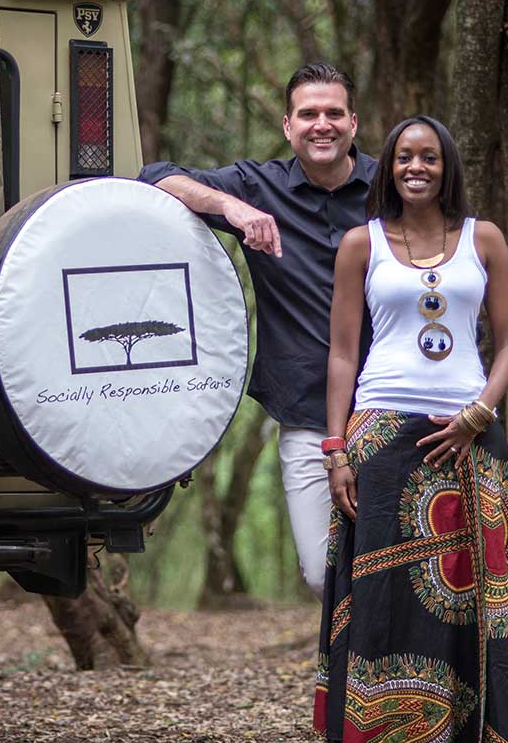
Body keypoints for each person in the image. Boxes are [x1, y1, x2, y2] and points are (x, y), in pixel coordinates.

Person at [316, 116, 508, 743]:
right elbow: (341, 352)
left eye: (428, 157)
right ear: (387, 168)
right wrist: (335, 449)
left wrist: (480, 410)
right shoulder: (360, 245)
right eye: (402, 157)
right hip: (383, 434)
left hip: (472, 431)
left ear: (447, 166)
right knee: (388, 596)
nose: (415, 167)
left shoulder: (484, 239)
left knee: (483, 589)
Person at [139, 62, 377, 597]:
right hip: (307, 413)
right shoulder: (259, 187)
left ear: (353, 123)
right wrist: (233, 208)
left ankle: (389, 677)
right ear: (289, 127)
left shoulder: (389, 190)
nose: (323, 124)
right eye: (308, 114)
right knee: (323, 574)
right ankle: (353, 676)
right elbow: (154, 177)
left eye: (334, 113)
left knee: (396, 564)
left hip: (390, 407)